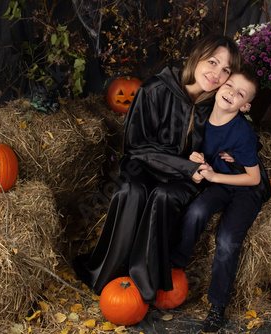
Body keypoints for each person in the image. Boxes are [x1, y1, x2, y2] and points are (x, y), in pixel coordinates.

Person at [73, 34, 242, 304]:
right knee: (132, 190)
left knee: (165, 195)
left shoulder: (218, 105)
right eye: (212, 62)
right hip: (144, 164)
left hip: (185, 177)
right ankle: (108, 274)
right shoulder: (155, 88)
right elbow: (136, 146)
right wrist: (185, 164)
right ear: (197, 56)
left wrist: (216, 159)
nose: (216, 73)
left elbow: (233, 143)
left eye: (226, 70)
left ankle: (144, 285)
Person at [170, 67, 262, 333]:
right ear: (220, 85)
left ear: (245, 106)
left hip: (244, 191)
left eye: (240, 94)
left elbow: (253, 178)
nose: (231, 93)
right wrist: (193, 159)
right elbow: (189, 147)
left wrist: (215, 177)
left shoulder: (242, 132)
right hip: (218, 183)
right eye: (229, 85)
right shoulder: (200, 114)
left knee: (226, 240)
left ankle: (217, 306)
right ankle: (176, 264)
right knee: (197, 210)